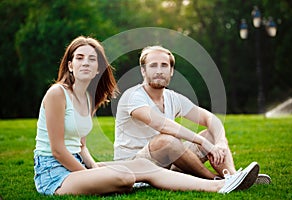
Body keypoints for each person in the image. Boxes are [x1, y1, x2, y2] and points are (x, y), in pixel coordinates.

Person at [34, 36, 260, 196]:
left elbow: (81, 145)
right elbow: (57, 150)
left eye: (91, 60)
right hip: (53, 173)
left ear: (97, 70)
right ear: (70, 65)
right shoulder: (57, 93)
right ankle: (218, 181)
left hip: (81, 163)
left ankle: (225, 182)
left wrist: (93, 169)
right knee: (127, 176)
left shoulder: (87, 98)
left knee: (147, 166)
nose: (85, 62)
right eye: (80, 58)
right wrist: (87, 175)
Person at [114, 45, 271, 183]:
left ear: (171, 71)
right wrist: (203, 143)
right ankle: (216, 180)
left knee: (211, 133)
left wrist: (220, 141)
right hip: (134, 166)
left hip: (166, 165)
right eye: (153, 66)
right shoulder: (133, 96)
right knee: (168, 140)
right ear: (143, 70)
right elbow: (162, 124)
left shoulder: (172, 97)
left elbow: (210, 118)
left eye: (164, 65)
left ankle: (234, 176)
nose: (159, 71)